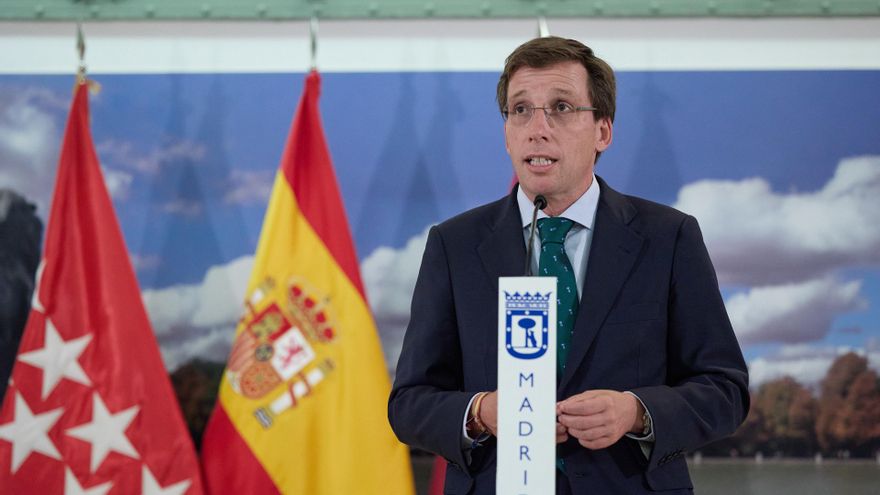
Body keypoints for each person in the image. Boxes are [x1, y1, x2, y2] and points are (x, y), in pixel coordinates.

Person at [388, 36, 749, 494]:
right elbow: (410, 403)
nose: (537, 128)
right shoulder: (454, 245)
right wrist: (481, 412)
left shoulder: (668, 237)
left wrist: (636, 412)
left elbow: (725, 390)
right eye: (520, 110)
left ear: (603, 131)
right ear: (506, 131)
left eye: (561, 107)